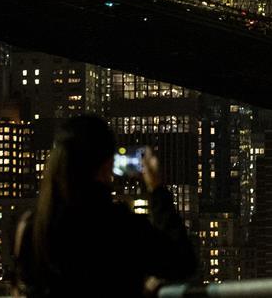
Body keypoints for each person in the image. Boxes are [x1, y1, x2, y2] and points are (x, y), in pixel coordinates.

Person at [13, 115, 196, 297]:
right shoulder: (120, 226)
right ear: (107, 164)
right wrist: (156, 189)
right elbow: (183, 262)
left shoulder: (32, 227)